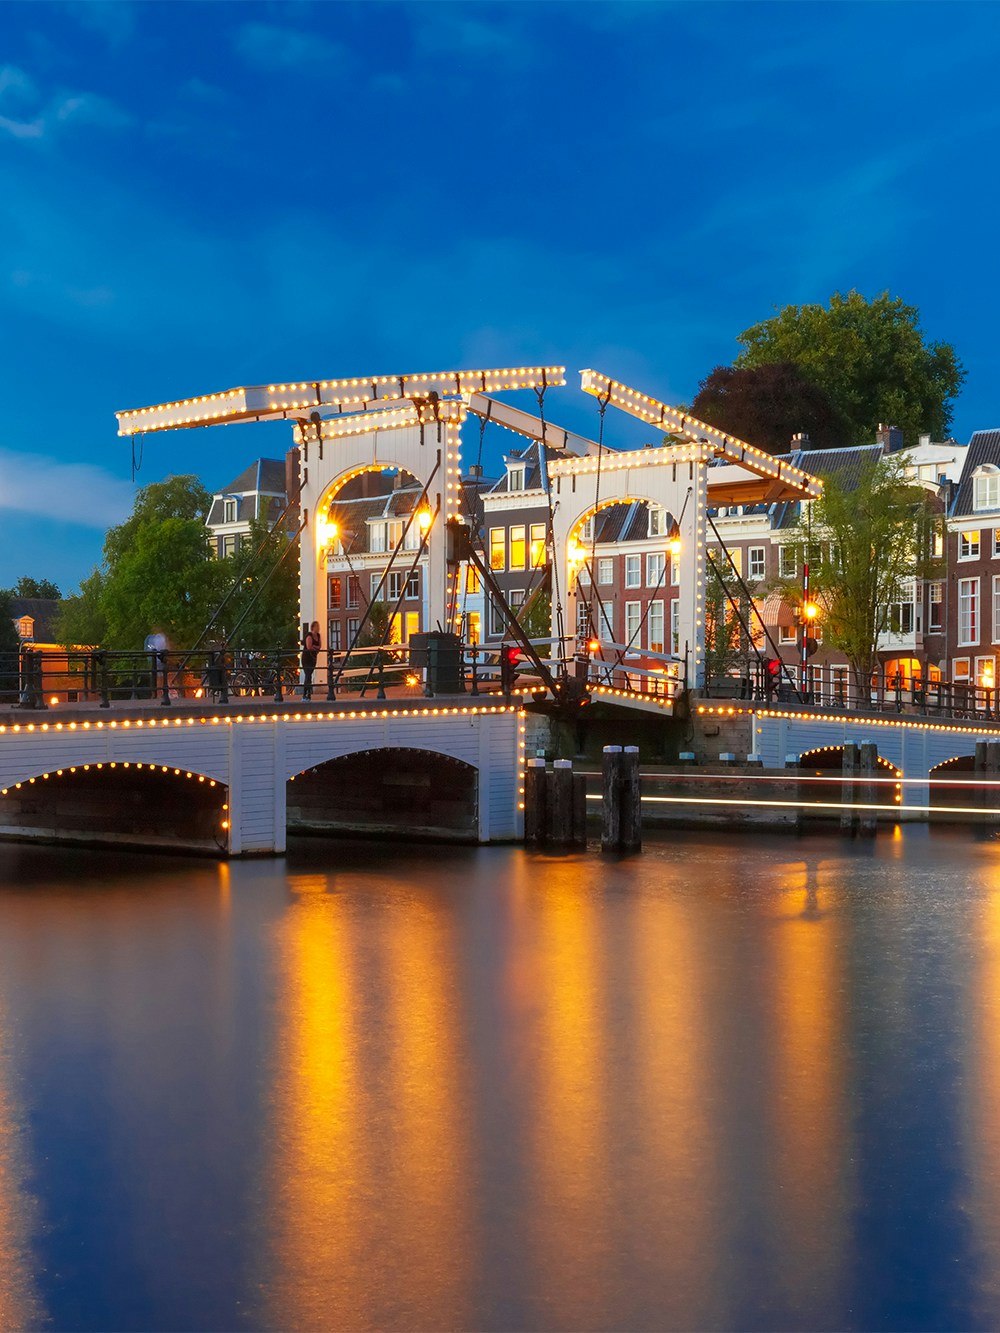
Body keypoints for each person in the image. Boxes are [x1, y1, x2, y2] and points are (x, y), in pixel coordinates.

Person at [301, 621, 321, 700]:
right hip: (307, 658)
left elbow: (319, 646)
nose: (318, 628)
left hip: (313, 657)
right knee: (308, 675)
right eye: (317, 626)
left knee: (309, 674)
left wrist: (314, 647)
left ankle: (307, 694)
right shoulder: (309, 636)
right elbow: (309, 647)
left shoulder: (318, 636)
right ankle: (306, 694)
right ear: (313, 627)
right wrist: (316, 647)